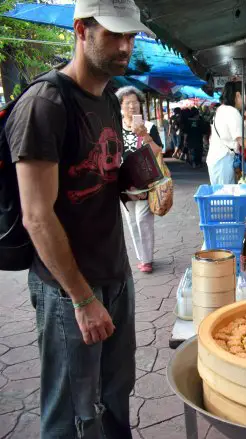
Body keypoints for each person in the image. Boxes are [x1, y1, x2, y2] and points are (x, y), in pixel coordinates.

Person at [4, 0, 152, 437]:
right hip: (68, 288)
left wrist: (143, 178)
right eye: (114, 34)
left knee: (116, 393)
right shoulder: (45, 103)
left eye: (130, 36)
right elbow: (36, 216)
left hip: (114, 273)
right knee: (71, 412)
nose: (125, 45)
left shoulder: (107, 97)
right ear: (81, 30)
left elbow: (103, 176)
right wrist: (83, 300)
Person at [116, 86, 163, 274]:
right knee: (131, 221)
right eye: (127, 103)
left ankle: (147, 259)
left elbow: (158, 150)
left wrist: (144, 134)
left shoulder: (149, 126)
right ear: (120, 106)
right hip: (123, 181)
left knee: (143, 218)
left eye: (135, 103)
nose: (132, 107)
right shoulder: (114, 126)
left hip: (145, 179)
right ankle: (141, 256)